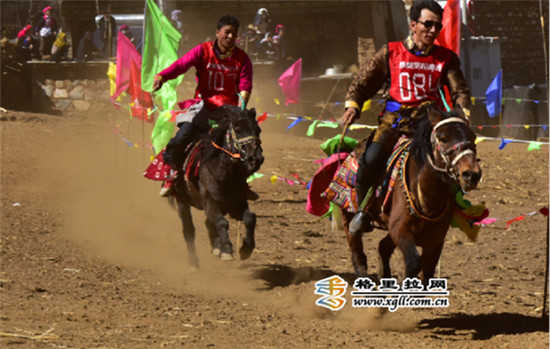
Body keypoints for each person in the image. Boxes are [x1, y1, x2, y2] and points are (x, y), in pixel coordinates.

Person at [341, 0, 472, 234]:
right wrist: (353, 106)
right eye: (428, 25)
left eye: (437, 26)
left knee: (454, 160)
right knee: (370, 159)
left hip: (429, 124)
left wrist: (463, 112)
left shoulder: (446, 58)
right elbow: (362, 84)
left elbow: (459, 90)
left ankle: (453, 209)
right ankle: (363, 211)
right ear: (413, 24)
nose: (433, 31)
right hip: (394, 122)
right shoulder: (389, 52)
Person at [152, 15, 254, 197]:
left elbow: (246, 85)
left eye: (234, 33)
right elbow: (180, 65)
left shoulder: (243, 58)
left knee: (247, 143)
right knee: (181, 138)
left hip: (229, 111)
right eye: (227, 32)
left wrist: (241, 109)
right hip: (203, 106)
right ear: (217, 32)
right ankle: (172, 174)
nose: (231, 37)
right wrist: (162, 76)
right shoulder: (202, 51)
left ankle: (241, 184)